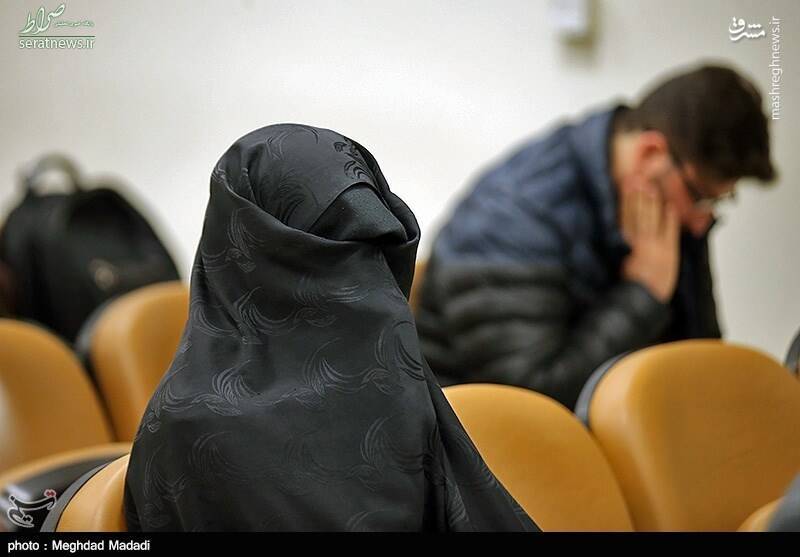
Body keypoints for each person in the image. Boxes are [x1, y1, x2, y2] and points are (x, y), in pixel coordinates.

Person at [123, 124, 539, 532]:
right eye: (333, 252)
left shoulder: (390, 377)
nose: (368, 282)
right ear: (266, 259)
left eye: (375, 253)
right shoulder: (199, 432)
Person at [416, 64, 776, 409]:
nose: (702, 223)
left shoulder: (667, 209)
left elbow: (700, 361)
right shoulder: (511, 219)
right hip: (474, 438)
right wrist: (645, 291)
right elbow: (532, 401)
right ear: (651, 153)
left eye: (720, 201)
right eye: (702, 197)